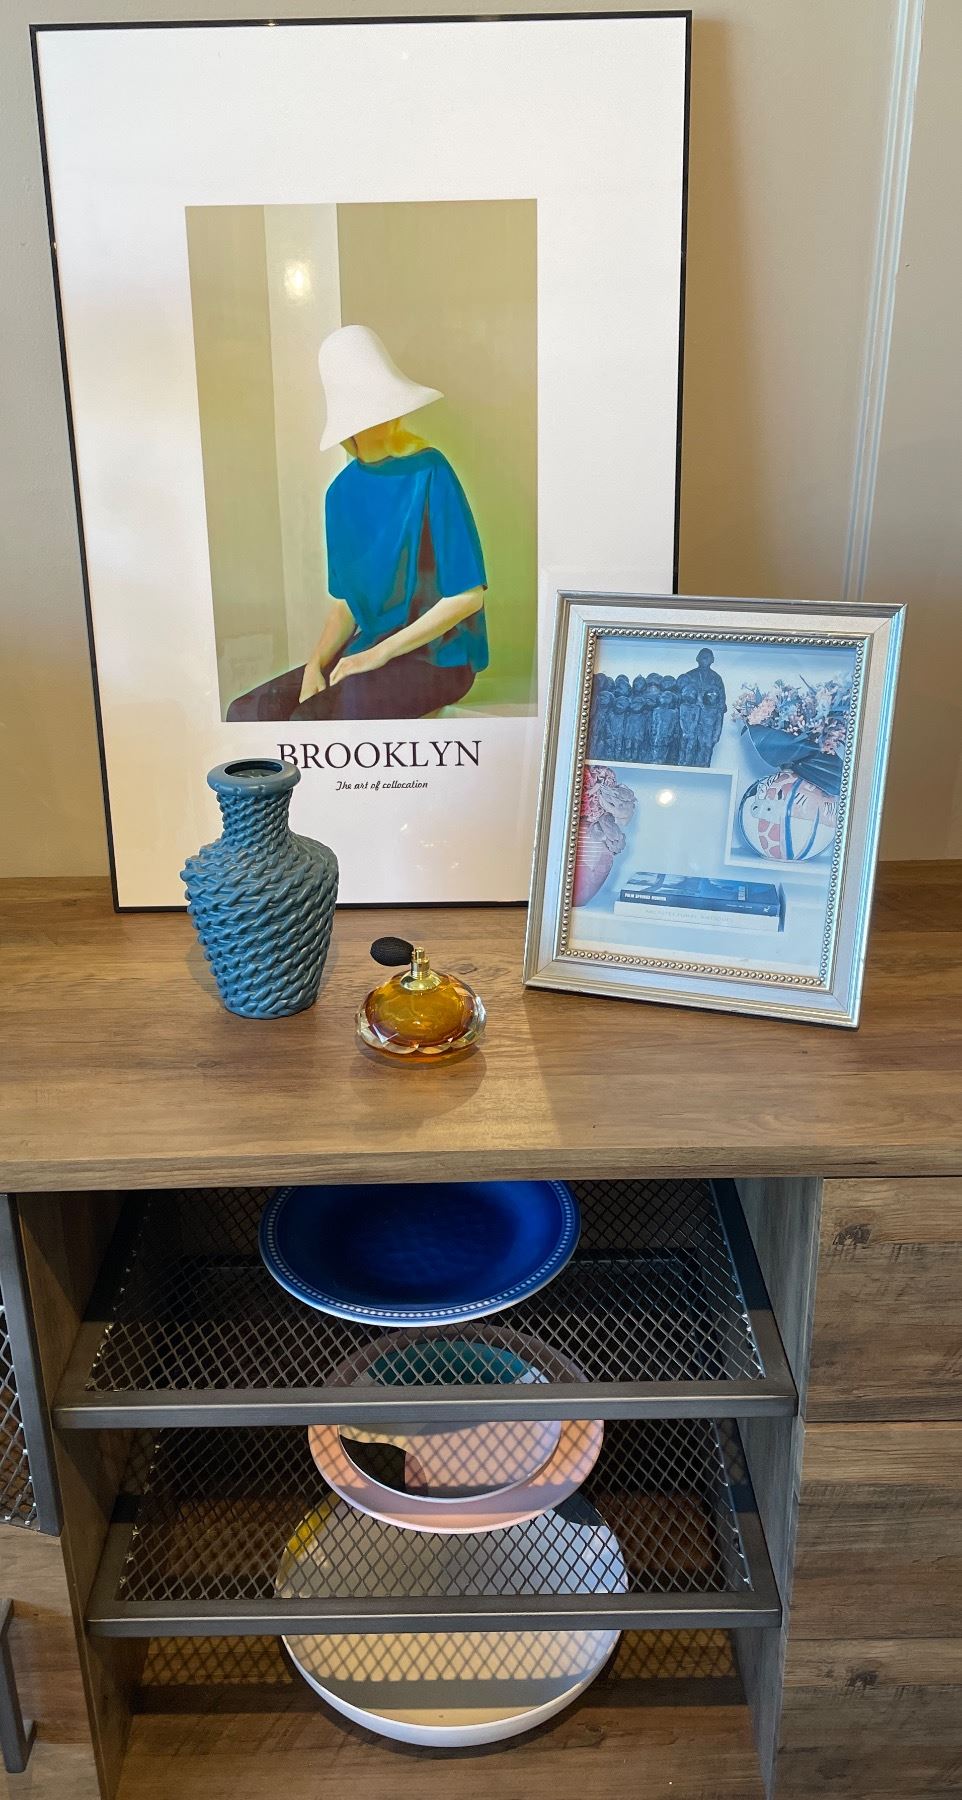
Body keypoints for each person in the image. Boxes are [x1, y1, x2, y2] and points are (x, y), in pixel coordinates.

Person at [227, 325, 488, 722]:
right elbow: (347, 603)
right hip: (369, 651)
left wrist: (378, 654)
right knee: (247, 713)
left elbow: (467, 596)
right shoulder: (339, 494)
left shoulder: (430, 470)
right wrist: (315, 664)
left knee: (311, 721)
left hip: (440, 659)